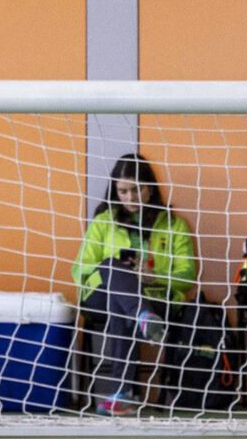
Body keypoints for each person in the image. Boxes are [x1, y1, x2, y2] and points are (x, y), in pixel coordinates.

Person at [70, 151, 198, 416]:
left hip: (155, 300)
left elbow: (188, 276)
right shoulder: (104, 222)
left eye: (137, 190)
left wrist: (154, 276)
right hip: (99, 296)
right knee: (112, 268)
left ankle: (123, 394)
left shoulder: (174, 224)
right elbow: (79, 269)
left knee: (123, 306)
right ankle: (141, 315)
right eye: (123, 191)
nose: (130, 198)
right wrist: (117, 272)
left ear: (150, 187)